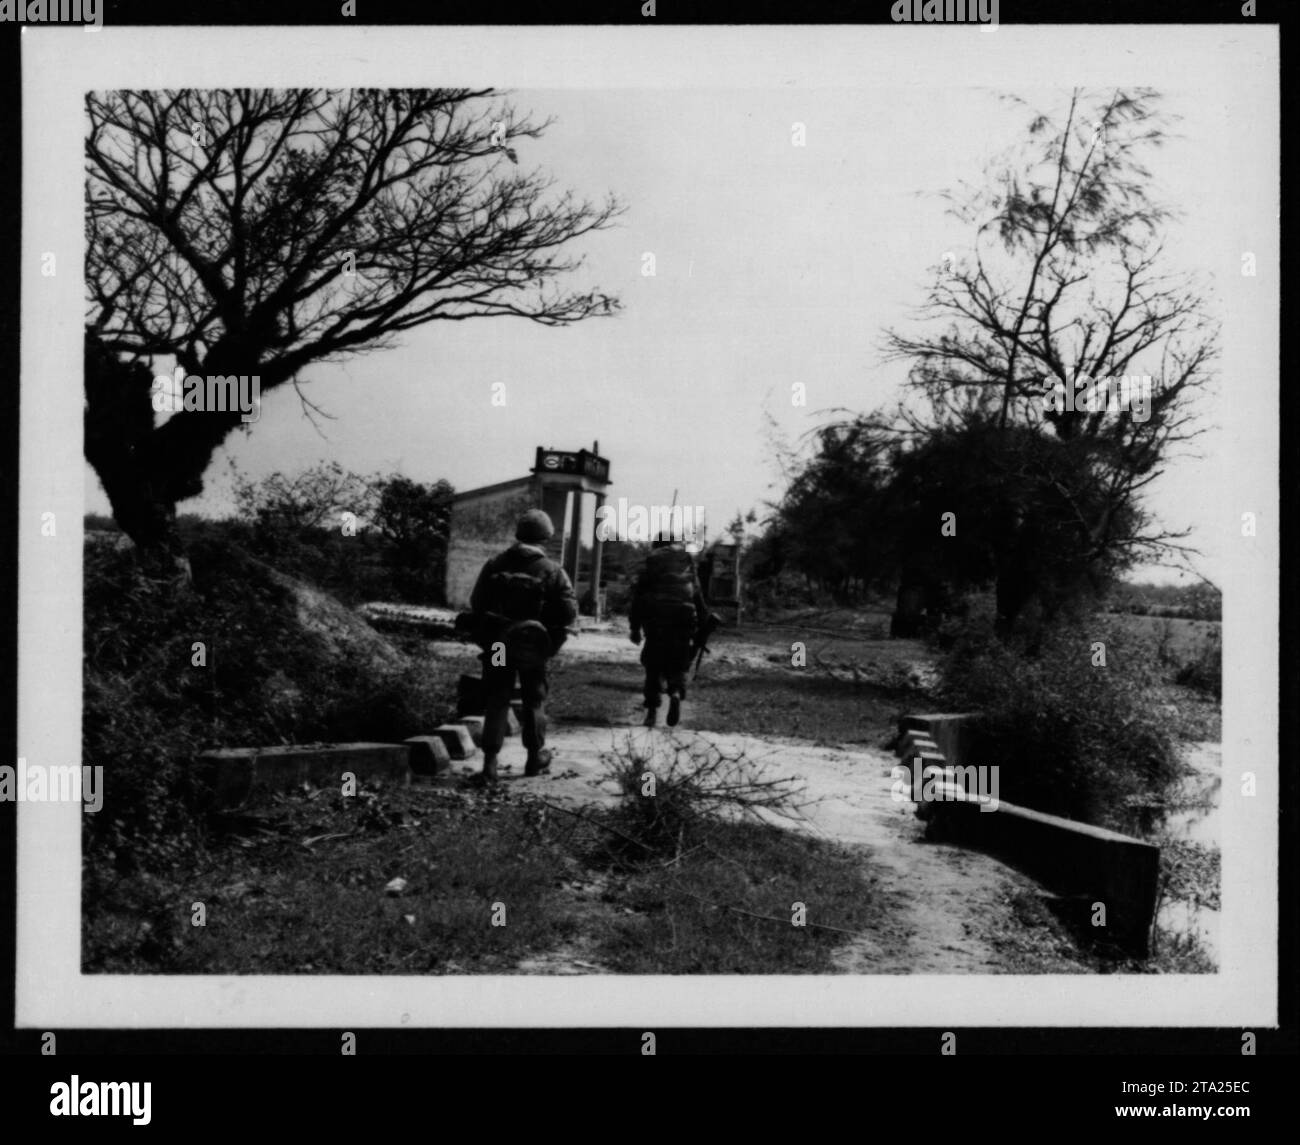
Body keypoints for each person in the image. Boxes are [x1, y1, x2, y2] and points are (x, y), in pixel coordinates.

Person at [468, 509, 577, 782]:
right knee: (534, 700)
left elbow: (477, 603)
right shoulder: (553, 571)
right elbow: (568, 614)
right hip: (533, 646)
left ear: (518, 534)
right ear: (547, 536)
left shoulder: (494, 565)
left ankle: (490, 764)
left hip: (498, 645)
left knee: (496, 699)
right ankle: (533, 759)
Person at [628, 534, 709, 727]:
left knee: (653, 664)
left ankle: (651, 712)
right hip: (684, 618)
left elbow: (639, 598)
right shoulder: (686, 560)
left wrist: (635, 628)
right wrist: (704, 621)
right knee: (679, 661)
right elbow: (697, 594)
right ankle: (674, 693)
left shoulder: (652, 562)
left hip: (657, 619)